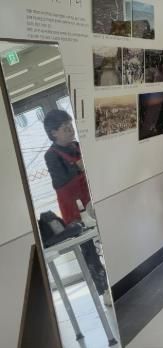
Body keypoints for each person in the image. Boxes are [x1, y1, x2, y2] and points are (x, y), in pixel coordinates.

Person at [43, 109, 108, 294]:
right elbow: (59, 181)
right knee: (89, 251)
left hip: (91, 201)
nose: (71, 130)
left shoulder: (78, 146)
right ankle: (104, 291)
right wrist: (77, 167)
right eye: (65, 127)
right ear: (53, 132)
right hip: (73, 210)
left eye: (70, 125)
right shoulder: (51, 155)